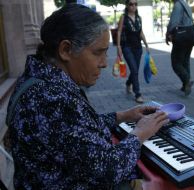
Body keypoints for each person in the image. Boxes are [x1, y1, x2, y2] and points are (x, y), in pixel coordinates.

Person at [6, 4, 169, 190]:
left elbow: (73, 130)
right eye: (98, 52)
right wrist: (139, 133)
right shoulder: (52, 98)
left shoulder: (36, 79)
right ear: (66, 50)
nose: (104, 64)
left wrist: (122, 116)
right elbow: (109, 170)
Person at [117, 0, 149, 103]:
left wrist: (146, 44)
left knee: (134, 70)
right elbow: (119, 31)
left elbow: (141, 32)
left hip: (138, 48)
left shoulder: (139, 18)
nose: (133, 6)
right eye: (131, 4)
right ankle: (138, 94)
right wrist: (118, 46)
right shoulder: (123, 17)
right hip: (127, 47)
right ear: (127, 5)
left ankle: (128, 83)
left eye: (135, 4)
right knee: (134, 70)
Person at [166, 0, 194, 96]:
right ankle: (185, 86)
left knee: (176, 63)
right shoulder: (186, 4)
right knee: (185, 61)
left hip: (182, 38)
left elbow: (174, 22)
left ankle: (187, 80)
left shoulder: (178, 5)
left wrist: (168, 33)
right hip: (190, 36)